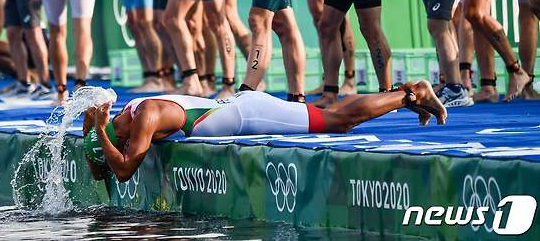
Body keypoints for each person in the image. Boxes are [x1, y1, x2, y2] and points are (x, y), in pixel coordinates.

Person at [82, 80, 447, 181]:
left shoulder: (145, 116)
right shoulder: (122, 121)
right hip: (239, 111)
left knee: (338, 121)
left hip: (250, 113)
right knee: (334, 116)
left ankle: (409, 94)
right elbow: (103, 170)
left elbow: (124, 170)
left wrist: (97, 133)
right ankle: (406, 96)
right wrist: (93, 132)